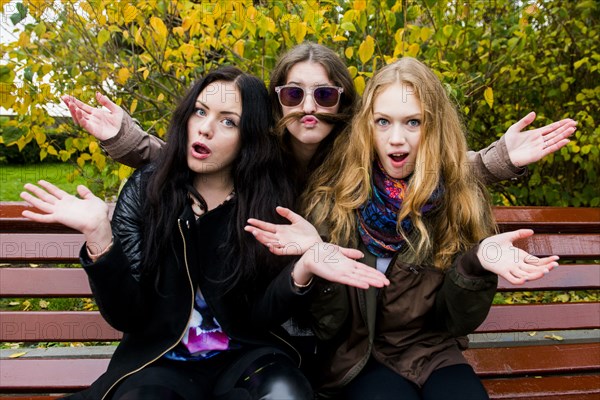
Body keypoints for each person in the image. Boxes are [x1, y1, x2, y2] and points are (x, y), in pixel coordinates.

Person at [20, 66, 387, 400]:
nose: (206, 128)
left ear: (250, 136)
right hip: (161, 360)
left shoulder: (268, 200)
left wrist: (301, 270)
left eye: (228, 122)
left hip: (248, 356)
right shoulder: (150, 191)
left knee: (284, 393)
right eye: (200, 111)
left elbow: (259, 317)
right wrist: (99, 236)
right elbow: (128, 317)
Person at [245, 58, 560, 400]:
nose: (396, 139)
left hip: (432, 352)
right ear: (367, 126)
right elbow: (329, 326)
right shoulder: (333, 199)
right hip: (357, 357)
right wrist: (315, 255)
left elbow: (454, 323)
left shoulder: (459, 199)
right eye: (383, 122)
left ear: (434, 126)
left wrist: (475, 264)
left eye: (413, 122)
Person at [61, 43, 576, 194]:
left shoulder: (361, 148)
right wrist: (125, 140)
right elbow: (195, 152)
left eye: (324, 94)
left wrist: (501, 158)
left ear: (342, 100)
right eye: (293, 93)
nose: (308, 106)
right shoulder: (258, 147)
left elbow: (434, 162)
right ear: (277, 98)